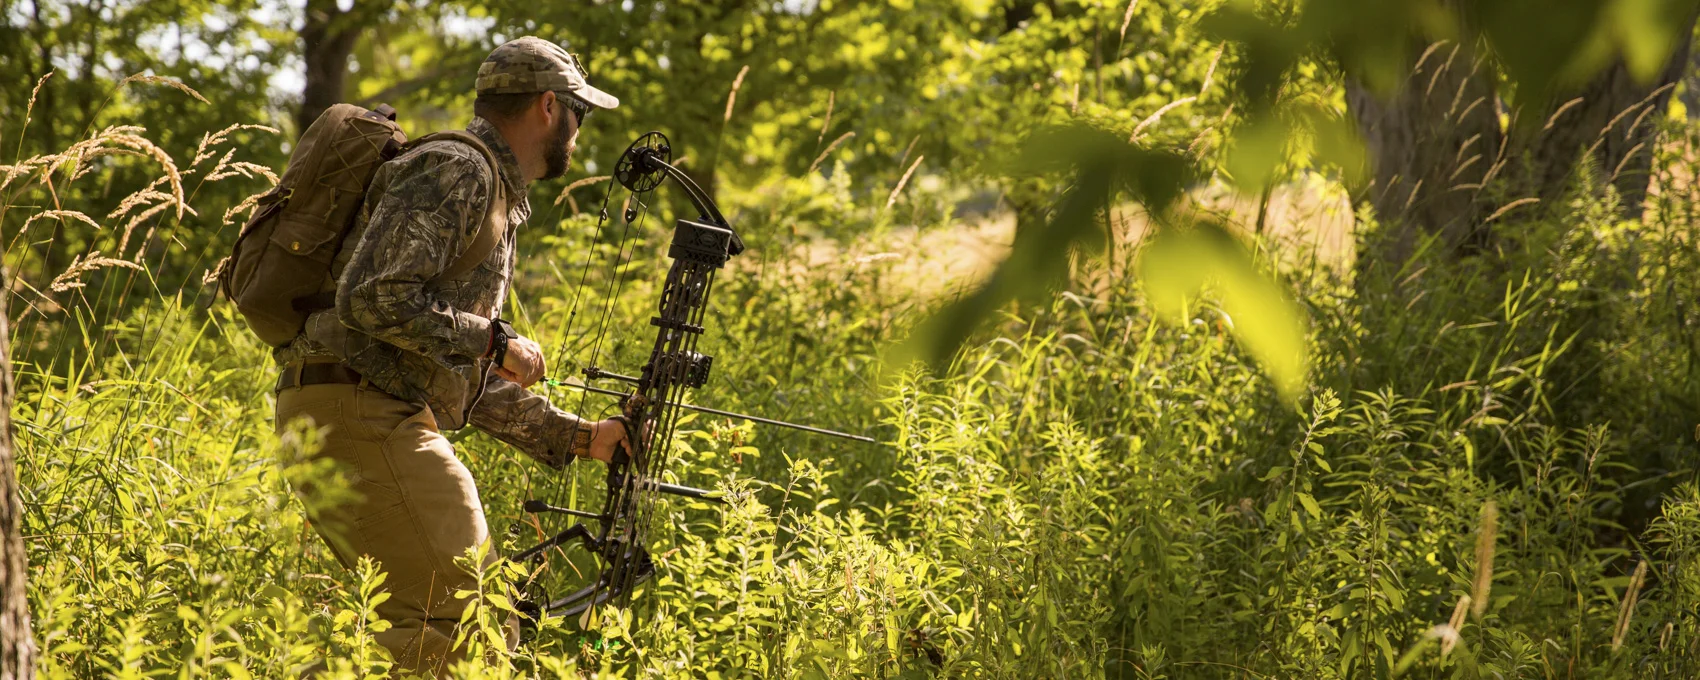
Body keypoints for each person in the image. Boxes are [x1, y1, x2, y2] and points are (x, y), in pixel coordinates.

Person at [270, 36, 622, 677]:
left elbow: (444, 363)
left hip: (366, 411)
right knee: (469, 617)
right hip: (357, 412)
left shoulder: (489, 189)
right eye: (580, 112)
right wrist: (492, 339)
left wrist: (584, 438)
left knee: (442, 618)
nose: (579, 130)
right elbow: (371, 299)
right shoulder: (460, 170)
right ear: (549, 105)